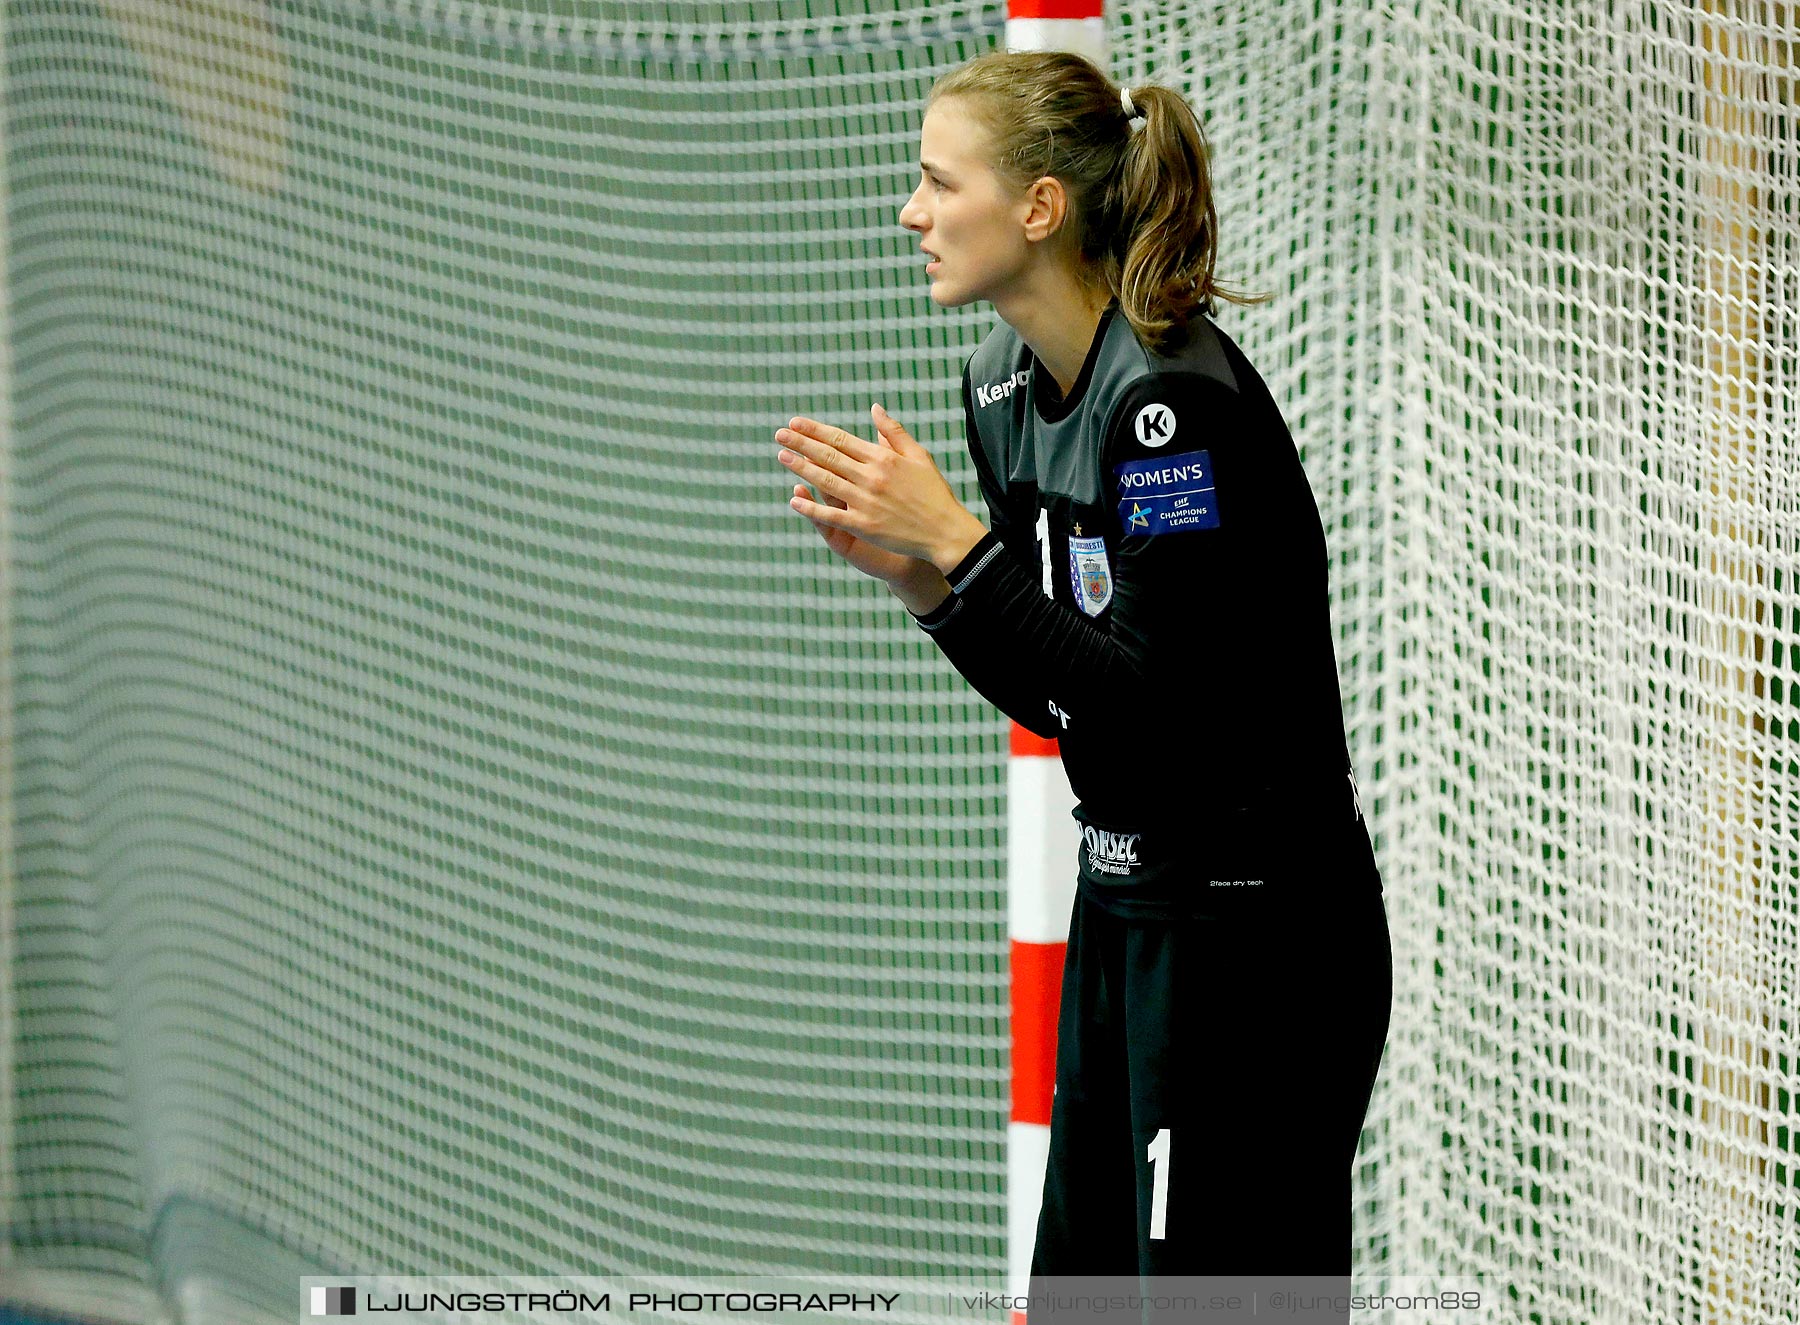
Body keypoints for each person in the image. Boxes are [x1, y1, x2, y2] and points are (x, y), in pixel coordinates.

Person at [773, 49, 1391, 1293]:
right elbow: (1066, 698)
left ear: (1039, 207)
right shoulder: (997, 387)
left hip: (1251, 940)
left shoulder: (1168, 403)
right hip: (1126, 915)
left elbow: (1160, 710)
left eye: (940, 183)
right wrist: (931, 589)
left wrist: (962, 545)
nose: (913, 212)